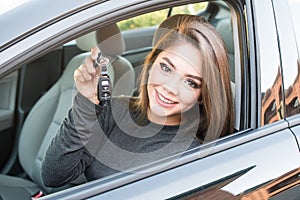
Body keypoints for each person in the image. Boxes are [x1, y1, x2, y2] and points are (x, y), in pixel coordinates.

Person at [42, 14, 234, 188]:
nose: (170, 87)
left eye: (190, 82)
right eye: (166, 68)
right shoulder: (115, 109)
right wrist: (86, 103)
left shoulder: (193, 156)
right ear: (151, 64)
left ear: (203, 94)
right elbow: (53, 176)